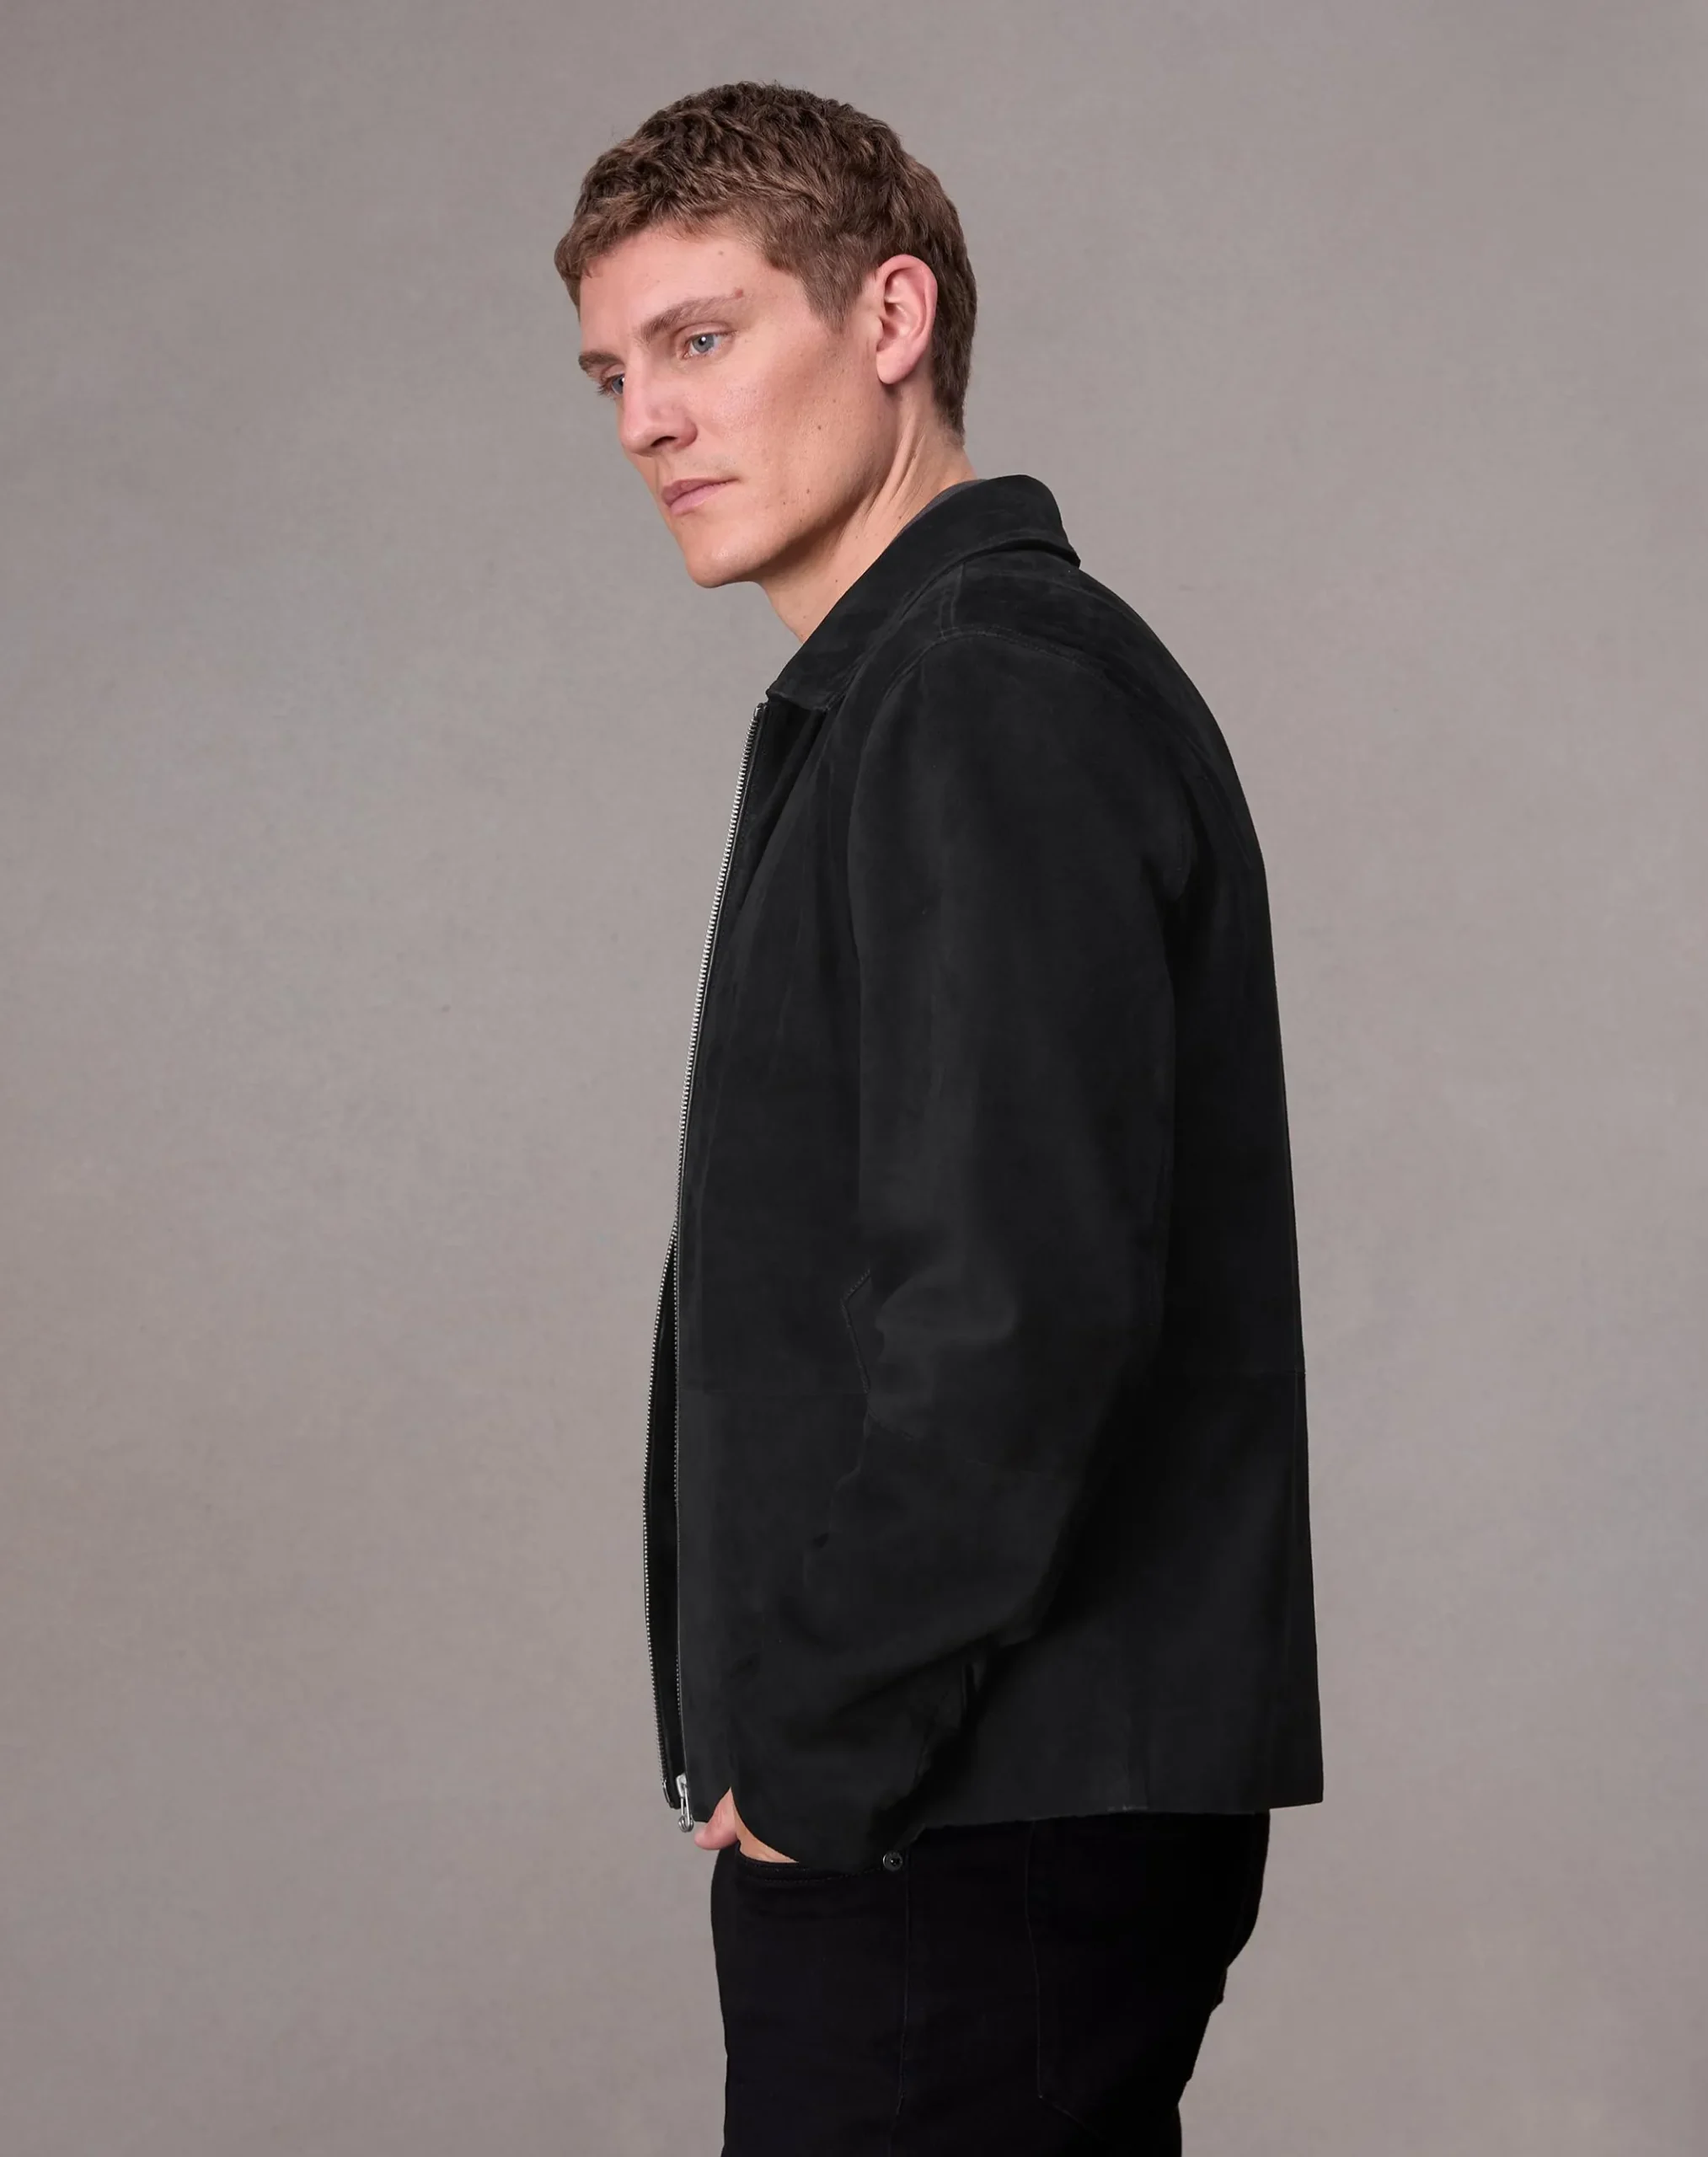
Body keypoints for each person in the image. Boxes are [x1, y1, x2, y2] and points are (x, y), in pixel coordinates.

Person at [554, 78, 1322, 2155]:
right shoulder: (919, 690)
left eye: (700, 337)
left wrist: (816, 1745)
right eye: (613, 373)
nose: (645, 420)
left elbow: (1013, 1312)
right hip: (977, 1798)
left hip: (966, 1809)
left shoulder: (983, 688)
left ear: (889, 318)